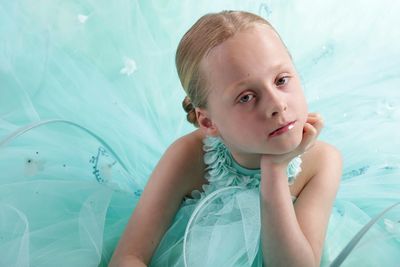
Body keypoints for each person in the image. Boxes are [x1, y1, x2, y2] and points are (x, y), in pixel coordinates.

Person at [110, 10, 342, 267]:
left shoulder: (322, 162)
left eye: (281, 80)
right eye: (246, 97)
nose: (277, 105)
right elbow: (128, 256)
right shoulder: (187, 157)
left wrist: (275, 169)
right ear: (208, 122)